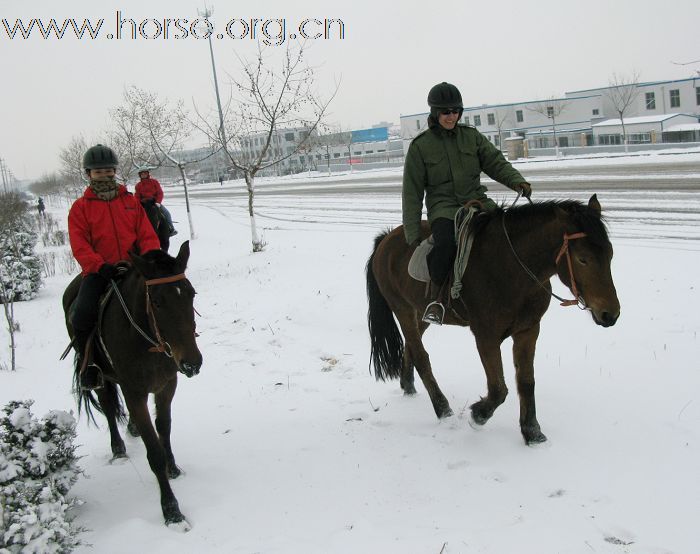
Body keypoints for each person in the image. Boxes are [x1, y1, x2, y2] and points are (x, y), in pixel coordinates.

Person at [402, 82, 532, 325]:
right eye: (445, 112)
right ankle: (437, 300)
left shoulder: (472, 137)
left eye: (455, 111)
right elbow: (411, 193)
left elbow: (495, 163)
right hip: (445, 210)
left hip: (479, 202)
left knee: (509, 235)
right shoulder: (421, 147)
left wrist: (517, 182)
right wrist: (412, 234)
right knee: (446, 246)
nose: (451, 116)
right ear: (434, 113)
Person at [67, 144, 161, 390]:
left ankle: (170, 352)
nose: (105, 175)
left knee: (167, 303)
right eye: (99, 172)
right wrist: (100, 266)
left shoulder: (130, 201)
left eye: (109, 171)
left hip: (133, 268)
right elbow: (79, 244)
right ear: (88, 174)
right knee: (81, 315)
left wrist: (150, 256)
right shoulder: (80, 207)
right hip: (100, 272)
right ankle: (89, 366)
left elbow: (146, 233)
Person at [134, 168, 177, 236]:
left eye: (145, 173)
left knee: (166, 213)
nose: (143, 175)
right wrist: (138, 204)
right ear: (140, 175)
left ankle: (171, 228)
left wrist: (158, 202)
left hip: (154, 202)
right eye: (142, 174)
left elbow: (160, 193)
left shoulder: (154, 182)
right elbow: (137, 196)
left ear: (148, 174)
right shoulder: (138, 185)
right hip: (143, 204)